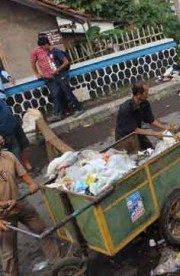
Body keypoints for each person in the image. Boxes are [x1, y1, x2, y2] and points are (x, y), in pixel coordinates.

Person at [0, 147, 60, 276]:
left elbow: (23, 174)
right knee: (8, 252)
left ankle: (59, 263)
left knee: (44, 231)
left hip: (19, 203)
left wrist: (31, 183)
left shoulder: (8, 156)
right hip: (3, 215)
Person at [36, 37, 83, 122]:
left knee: (68, 93)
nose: (42, 49)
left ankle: (79, 109)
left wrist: (57, 70)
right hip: (55, 77)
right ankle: (56, 114)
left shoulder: (56, 51)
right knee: (56, 95)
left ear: (46, 44)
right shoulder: (49, 52)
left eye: (42, 47)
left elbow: (66, 62)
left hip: (62, 76)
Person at [115, 81, 167, 149]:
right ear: (139, 94)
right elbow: (134, 130)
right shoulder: (125, 109)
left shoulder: (145, 103)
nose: (148, 94)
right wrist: (154, 133)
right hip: (125, 138)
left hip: (138, 133)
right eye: (146, 93)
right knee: (136, 156)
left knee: (150, 149)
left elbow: (151, 120)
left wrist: (165, 128)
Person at [0, 100, 34, 173]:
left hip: (14, 124)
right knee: (15, 151)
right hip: (5, 131)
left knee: (25, 145)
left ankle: (26, 163)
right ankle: (20, 172)